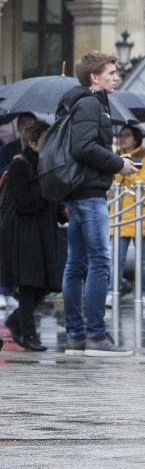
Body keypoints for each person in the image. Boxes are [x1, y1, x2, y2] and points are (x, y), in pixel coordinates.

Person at [59, 52, 139, 357]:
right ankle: (95, 336)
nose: (116, 77)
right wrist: (118, 163)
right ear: (95, 77)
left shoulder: (79, 102)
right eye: (111, 72)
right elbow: (83, 147)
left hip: (78, 191)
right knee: (99, 261)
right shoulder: (91, 103)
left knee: (76, 263)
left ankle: (76, 336)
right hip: (88, 192)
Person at [0, 120, 58, 351]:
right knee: (28, 284)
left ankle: (16, 320)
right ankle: (28, 333)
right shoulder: (21, 166)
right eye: (46, 140)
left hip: (43, 233)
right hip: (23, 235)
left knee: (48, 283)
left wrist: (62, 211)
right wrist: (45, 185)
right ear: (34, 142)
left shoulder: (44, 166)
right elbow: (21, 203)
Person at [110, 123, 145, 303]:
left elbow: (141, 180)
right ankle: (113, 290)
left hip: (139, 214)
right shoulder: (115, 157)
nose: (123, 138)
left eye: (127, 135)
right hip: (119, 215)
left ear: (136, 139)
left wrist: (123, 169)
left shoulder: (144, 157)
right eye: (121, 135)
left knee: (143, 259)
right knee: (117, 258)